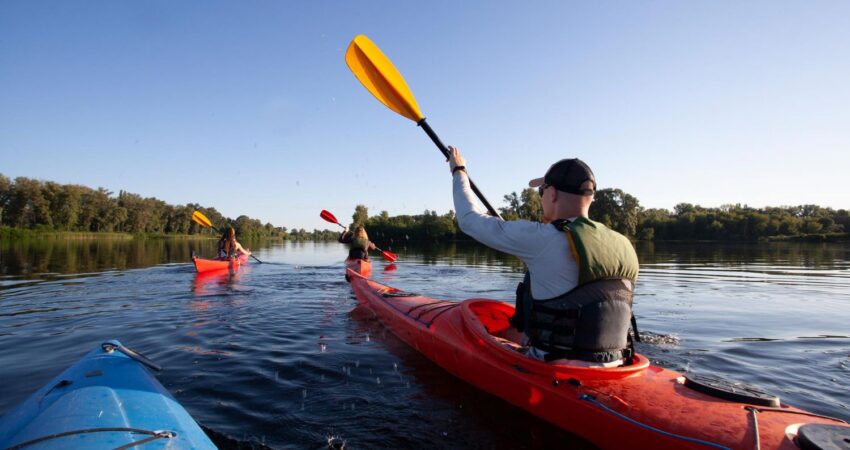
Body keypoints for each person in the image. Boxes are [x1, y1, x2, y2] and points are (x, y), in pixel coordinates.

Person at [448, 146, 639, 367]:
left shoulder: (545, 238)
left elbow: (469, 219)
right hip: (617, 364)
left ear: (553, 193)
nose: (541, 198)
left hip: (553, 367)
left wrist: (459, 171)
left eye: (542, 191)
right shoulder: (623, 243)